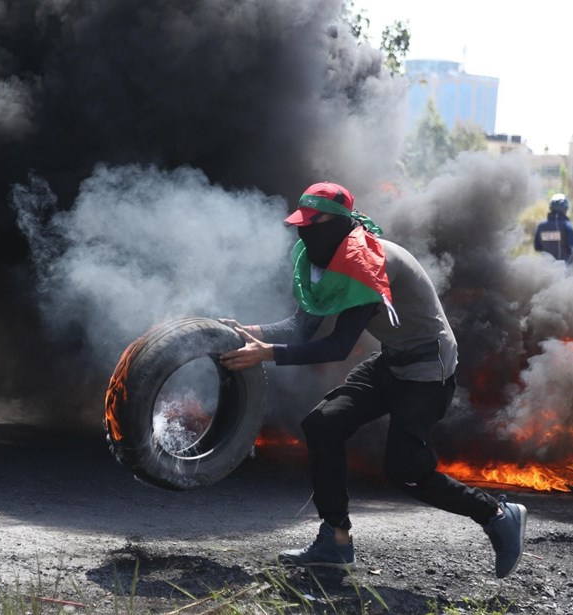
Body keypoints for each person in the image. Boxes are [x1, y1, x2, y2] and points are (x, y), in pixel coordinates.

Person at [219, 181, 527, 579]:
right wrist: (250, 330)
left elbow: (338, 346)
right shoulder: (324, 254)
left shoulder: (366, 261)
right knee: (322, 424)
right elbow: (300, 327)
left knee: (407, 471)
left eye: (314, 223)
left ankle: (498, 513)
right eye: (301, 223)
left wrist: (266, 354)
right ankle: (336, 540)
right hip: (394, 361)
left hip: (426, 371)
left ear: (339, 223)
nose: (304, 231)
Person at [534, 194, 573, 262]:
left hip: (545, 267)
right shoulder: (566, 225)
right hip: (565, 268)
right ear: (565, 208)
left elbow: (537, 247)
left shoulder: (541, 226)